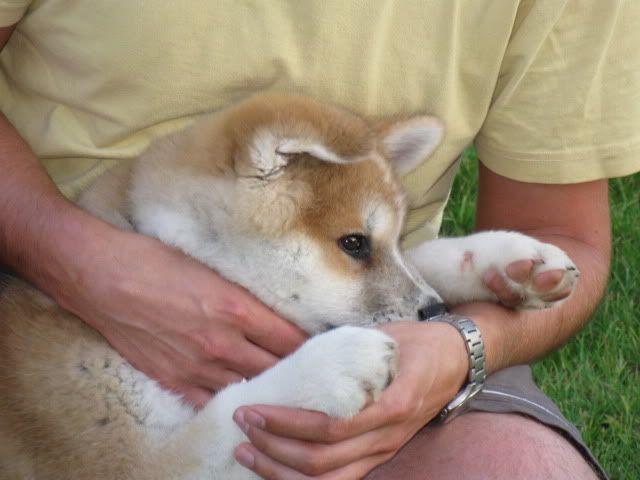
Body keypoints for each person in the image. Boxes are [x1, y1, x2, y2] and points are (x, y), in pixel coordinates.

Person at [0, 1, 637, 479]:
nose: (417, 298)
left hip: (388, 359)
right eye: (360, 247)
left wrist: (460, 346)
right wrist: (80, 265)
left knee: (520, 467)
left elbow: (562, 235)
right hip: (45, 262)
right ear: (269, 161)